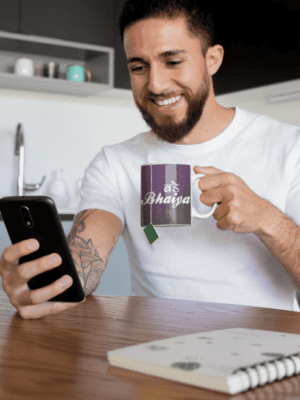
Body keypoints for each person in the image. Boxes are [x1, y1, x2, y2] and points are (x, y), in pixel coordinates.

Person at [1, 0, 300, 319]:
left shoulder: (289, 147)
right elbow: (86, 254)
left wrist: (268, 220)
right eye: (138, 67)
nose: (155, 84)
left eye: (172, 61)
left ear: (212, 59)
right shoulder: (115, 163)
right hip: (152, 354)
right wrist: (50, 282)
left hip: (265, 360)